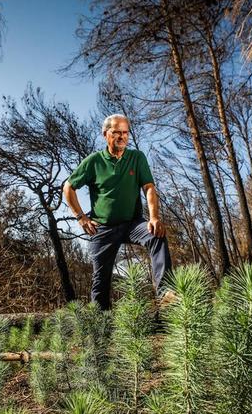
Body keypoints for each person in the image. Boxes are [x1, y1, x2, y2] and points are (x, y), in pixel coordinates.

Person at [63, 114, 172, 310]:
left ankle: (165, 296)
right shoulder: (93, 161)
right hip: (102, 228)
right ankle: (101, 322)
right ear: (106, 134)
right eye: (116, 133)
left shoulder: (136, 158)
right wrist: (81, 217)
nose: (122, 137)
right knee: (100, 279)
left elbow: (148, 187)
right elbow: (68, 187)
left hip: (132, 224)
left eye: (125, 133)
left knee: (157, 234)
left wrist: (154, 217)